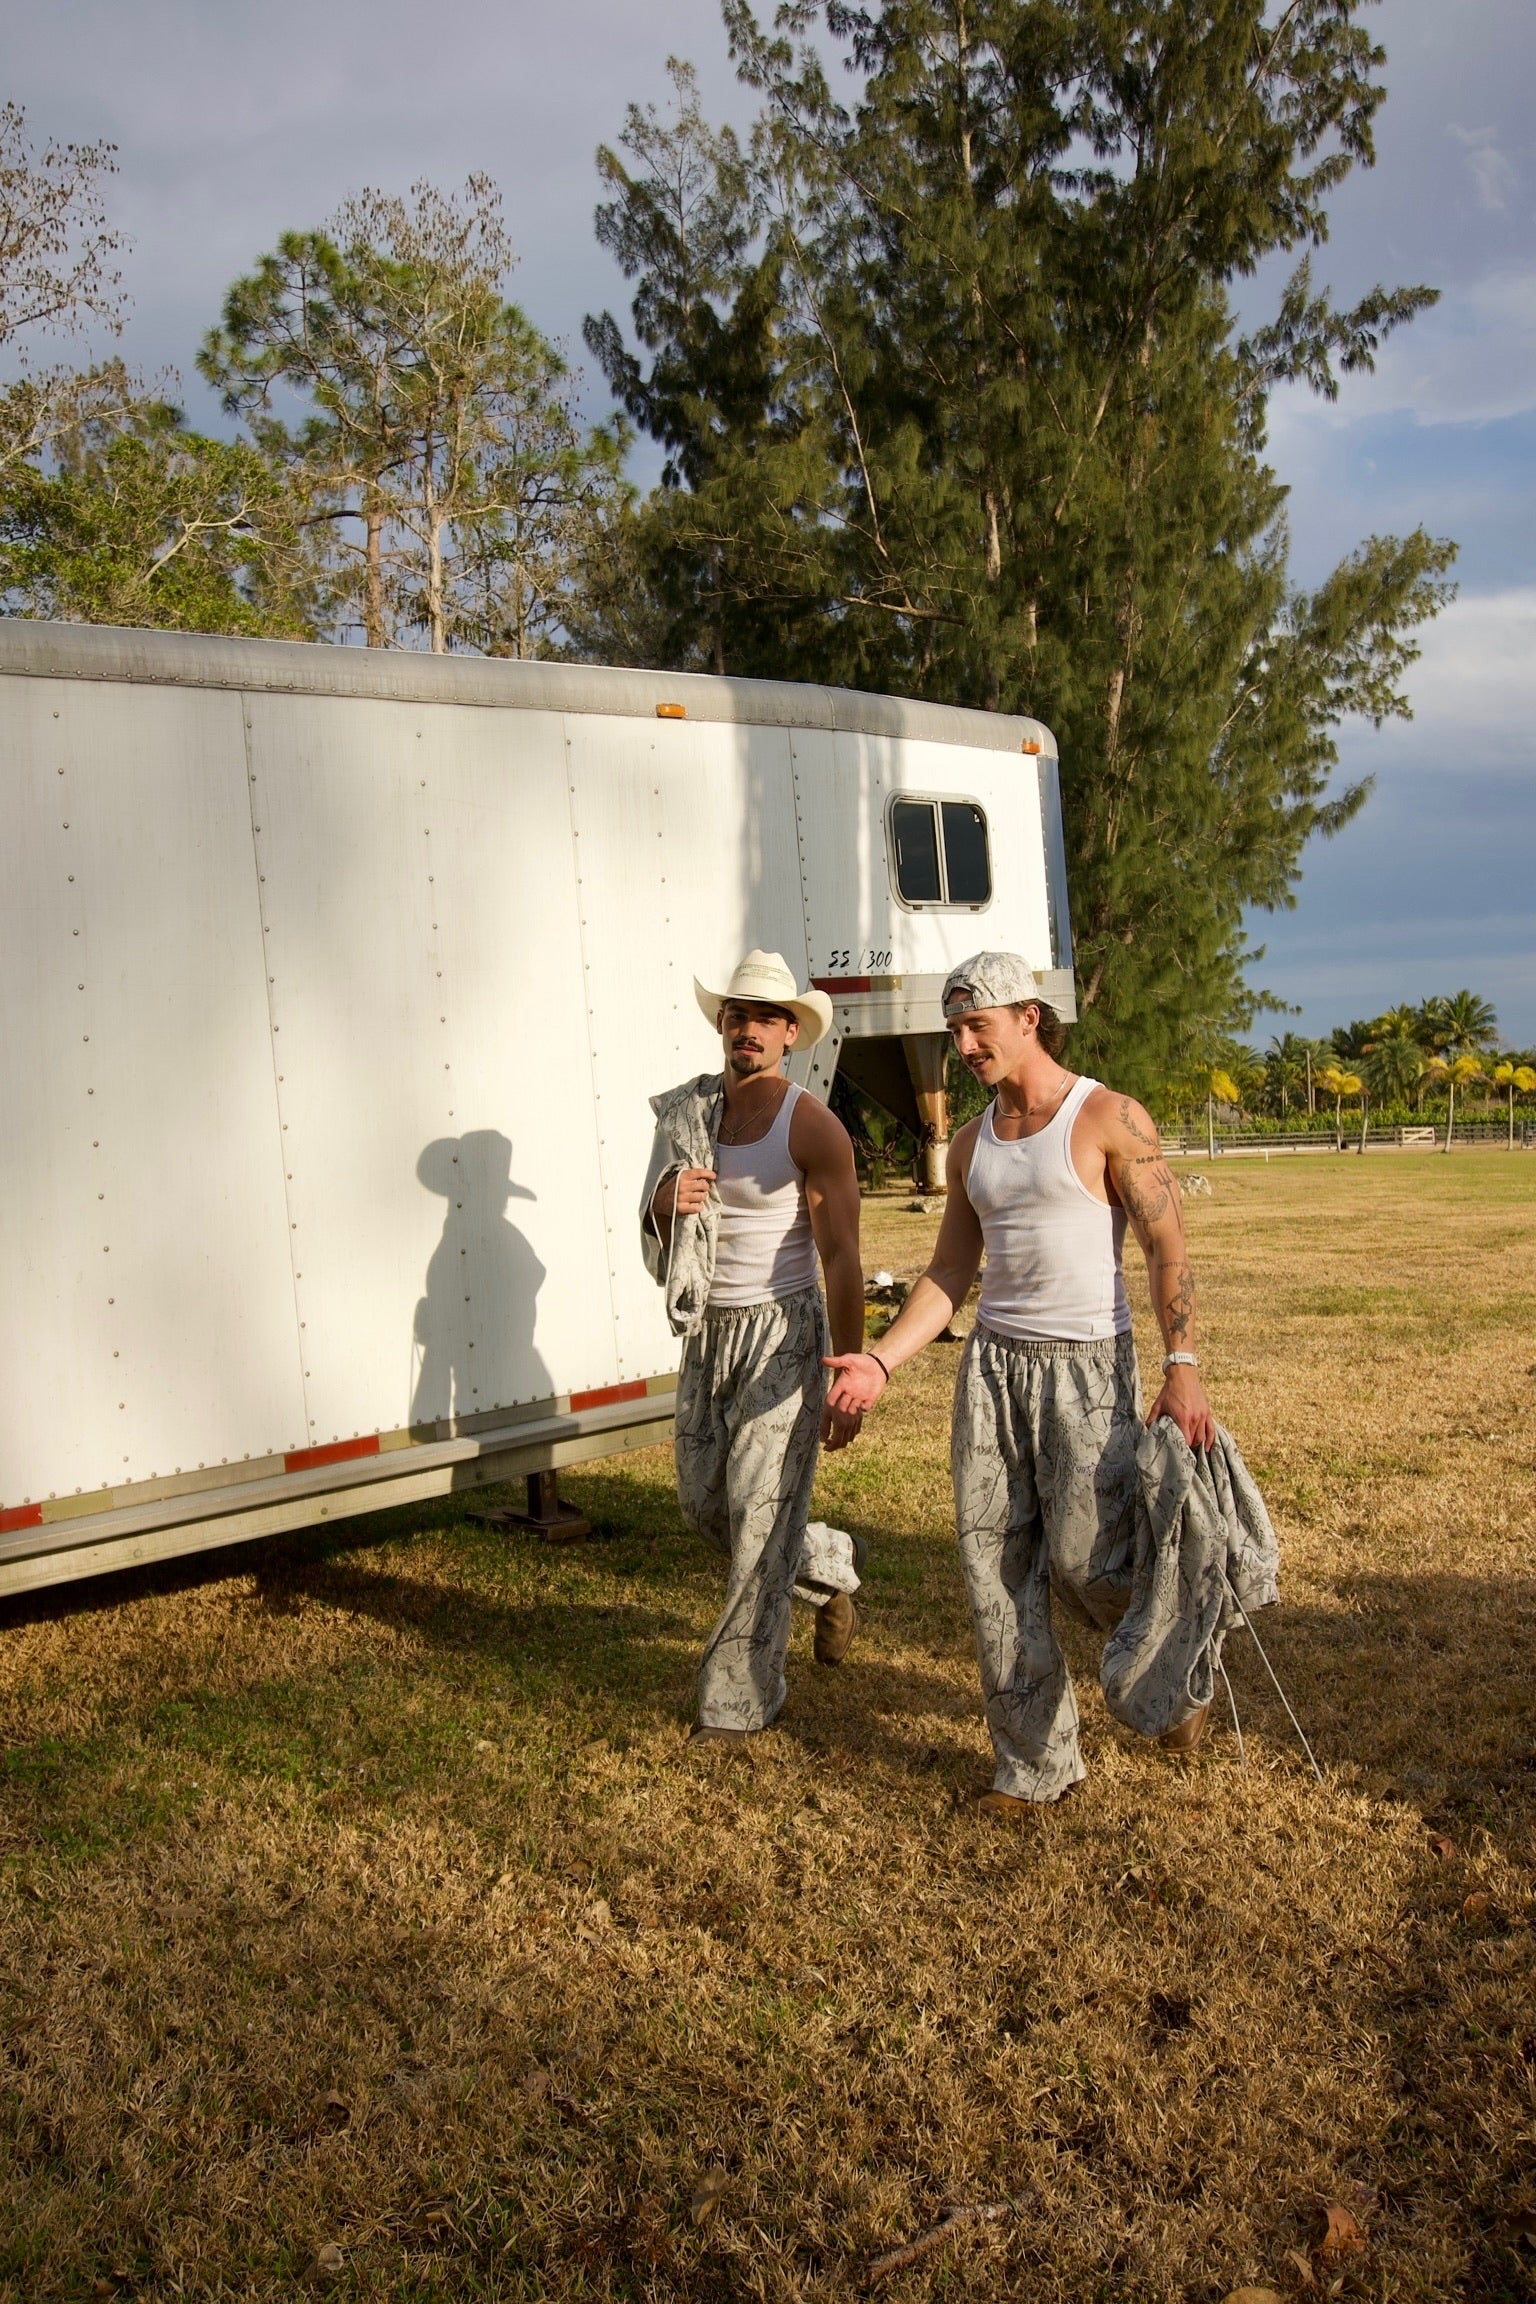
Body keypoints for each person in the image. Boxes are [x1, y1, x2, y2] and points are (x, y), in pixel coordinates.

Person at [824, 950, 1220, 1815]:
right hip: (993, 1370)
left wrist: (1182, 1365)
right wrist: (882, 1361)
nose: (965, 1045)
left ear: (1029, 1018)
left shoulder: (1108, 1116)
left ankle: (1176, 1669)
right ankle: (1035, 1767)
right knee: (995, 1568)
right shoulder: (972, 1144)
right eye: (955, 1030)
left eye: (979, 1026)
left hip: (1087, 1368)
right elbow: (949, 1272)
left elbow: (1166, 1244)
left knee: (1088, 1563)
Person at [640, 950, 868, 1745]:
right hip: (709, 1335)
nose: (750, 1030)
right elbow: (655, 1225)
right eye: (738, 1015)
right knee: (707, 1507)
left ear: (791, 1033)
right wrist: (665, 1200)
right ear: (724, 1025)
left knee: (760, 1522)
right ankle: (827, 1564)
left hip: (782, 1336)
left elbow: (843, 1256)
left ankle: (737, 1703)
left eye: (768, 1019)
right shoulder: (690, 1118)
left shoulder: (811, 1125)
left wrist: (849, 1368)